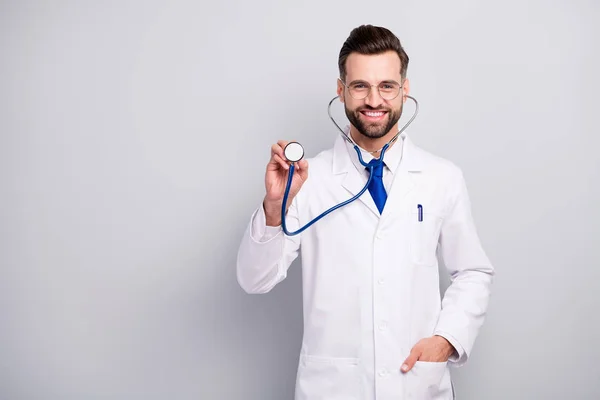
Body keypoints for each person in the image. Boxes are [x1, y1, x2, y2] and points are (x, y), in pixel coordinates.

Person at [236, 24, 495, 400]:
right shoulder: (309, 178)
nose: (374, 100)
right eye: (360, 86)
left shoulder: (442, 177)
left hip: (416, 384)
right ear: (341, 90)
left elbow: (473, 271)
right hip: (333, 387)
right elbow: (253, 279)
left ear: (405, 90)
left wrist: (446, 340)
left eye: (387, 86)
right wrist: (275, 205)